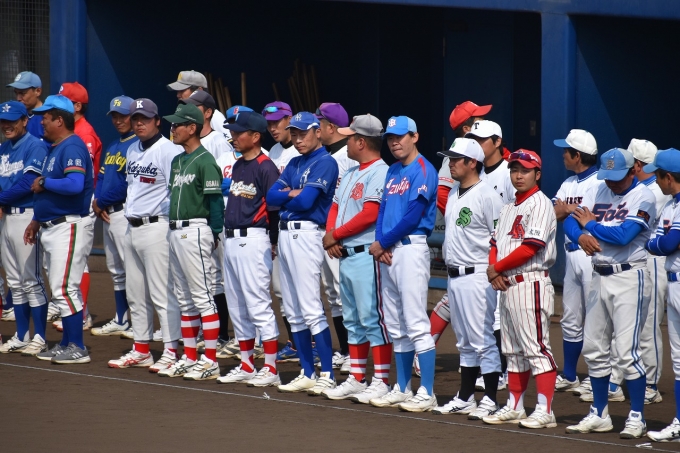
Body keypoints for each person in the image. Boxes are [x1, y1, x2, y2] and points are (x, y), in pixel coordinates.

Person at [564, 148, 655, 439]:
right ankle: (600, 413)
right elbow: (569, 219)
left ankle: (637, 417)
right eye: (609, 176)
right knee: (594, 349)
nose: (612, 182)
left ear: (632, 170)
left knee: (626, 352)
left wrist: (591, 225)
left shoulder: (644, 196)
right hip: (599, 275)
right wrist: (580, 235)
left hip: (629, 276)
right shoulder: (599, 189)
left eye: (618, 176)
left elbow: (624, 235)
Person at [481, 150, 558, 429]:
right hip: (508, 284)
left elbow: (531, 247)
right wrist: (496, 271)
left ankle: (545, 410)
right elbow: (494, 244)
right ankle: (515, 406)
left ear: (537, 174)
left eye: (524, 170)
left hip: (531, 281)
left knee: (536, 349)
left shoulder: (541, 203)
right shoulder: (508, 207)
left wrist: (497, 268)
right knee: (512, 351)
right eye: (514, 169)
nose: (518, 175)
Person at [367, 116, 438, 412]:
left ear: (415, 136)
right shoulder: (393, 170)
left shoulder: (424, 169)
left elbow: (412, 217)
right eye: (391, 138)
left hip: (411, 248)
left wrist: (383, 242)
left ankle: (428, 391)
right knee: (396, 324)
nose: (395, 142)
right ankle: (403, 387)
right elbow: (383, 210)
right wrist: (381, 242)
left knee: (416, 322)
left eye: (400, 136)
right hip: (390, 250)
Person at [320, 114, 392, 403]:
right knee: (352, 320)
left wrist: (335, 235)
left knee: (372, 318)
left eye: (350, 137)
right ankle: (357, 377)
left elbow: (370, 214)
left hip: (366, 254)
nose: (346, 140)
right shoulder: (350, 172)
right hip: (346, 253)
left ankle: (381, 380)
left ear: (361, 142)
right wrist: (332, 235)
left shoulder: (381, 171)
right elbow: (335, 207)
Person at [107, 98, 182, 373]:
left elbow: (176, 192)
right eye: (136, 119)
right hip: (131, 226)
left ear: (157, 121)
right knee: (135, 292)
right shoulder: (132, 150)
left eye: (145, 119)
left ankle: (171, 350)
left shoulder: (169, 151)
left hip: (157, 227)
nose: (139, 123)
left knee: (162, 293)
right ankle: (141, 349)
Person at [266, 111, 339, 395]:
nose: (297, 139)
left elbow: (307, 201)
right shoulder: (294, 162)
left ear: (318, 132)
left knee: (310, 307)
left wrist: (290, 194)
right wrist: (290, 194)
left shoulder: (326, 161)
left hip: (308, 233)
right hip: (286, 233)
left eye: (303, 133)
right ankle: (307, 372)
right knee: (293, 309)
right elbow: (270, 197)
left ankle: (328, 374)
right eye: (294, 134)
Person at [431, 137, 503, 419]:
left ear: (472, 162)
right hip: (455, 276)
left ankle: (491, 398)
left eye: (455, 159)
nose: (450, 164)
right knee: (464, 341)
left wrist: (496, 270)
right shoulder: (452, 193)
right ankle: (465, 397)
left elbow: (499, 237)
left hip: (477, 274)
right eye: (449, 158)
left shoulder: (487, 195)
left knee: (482, 338)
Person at [155, 103, 223, 380]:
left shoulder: (206, 161)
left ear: (192, 128)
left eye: (177, 125)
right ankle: (191, 356)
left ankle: (211, 360)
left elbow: (215, 203)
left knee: (203, 298)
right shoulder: (177, 161)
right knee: (184, 299)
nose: (172, 129)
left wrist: (214, 233)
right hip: (175, 231)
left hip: (196, 230)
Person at [25, 95, 94, 364]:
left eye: (46, 117)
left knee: (65, 288)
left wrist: (45, 182)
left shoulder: (72, 146)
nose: (41, 121)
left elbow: (74, 185)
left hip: (69, 225)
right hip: (54, 225)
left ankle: (77, 346)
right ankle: (66, 343)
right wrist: (36, 219)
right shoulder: (57, 147)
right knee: (60, 288)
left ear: (59, 121)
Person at [216, 111, 281, 386]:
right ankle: (246, 364)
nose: (233, 136)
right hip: (231, 239)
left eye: (238, 132)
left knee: (257, 303)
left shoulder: (266, 167)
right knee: (237, 304)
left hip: (254, 238)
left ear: (255, 136)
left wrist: (274, 241)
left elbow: (275, 209)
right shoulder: (239, 165)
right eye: (232, 131)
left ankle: (271, 368)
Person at [179, 89, 233, 356]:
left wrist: (215, 227)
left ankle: (221, 335)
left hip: (213, 219)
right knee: (202, 282)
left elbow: (225, 181)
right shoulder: (183, 149)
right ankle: (207, 332)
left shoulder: (219, 142)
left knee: (217, 280)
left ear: (208, 112)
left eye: (195, 106)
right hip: (193, 222)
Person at [465, 119, 514, 391]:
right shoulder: (477, 173)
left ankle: (504, 372)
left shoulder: (509, 173)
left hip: (504, 255)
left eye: (482, 140)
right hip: (480, 257)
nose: (477, 144)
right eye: (473, 139)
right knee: (484, 318)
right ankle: (492, 369)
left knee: (499, 317)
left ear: (497, 142)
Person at [551, 129, 600, 395]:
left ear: (577, 155)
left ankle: (596, 376)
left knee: (595, 319)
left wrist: (567, 210)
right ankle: (570, 375)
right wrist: (570, 209)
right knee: (570, 317)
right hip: (571, 255)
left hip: (591, 254)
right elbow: (553, 212)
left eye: (566, 151)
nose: (562, 155)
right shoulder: (568, 183)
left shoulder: (600, 183)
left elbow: (589, 218)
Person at [53, 82, 103, 332]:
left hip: (81, 204)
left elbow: (82, 177)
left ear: (77, 106)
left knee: (78, 262)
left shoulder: (84, 134)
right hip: (70, 204)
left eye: (65, 102)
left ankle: (81, 314)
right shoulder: (71, 133)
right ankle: (73, 309)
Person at [0, 101, 48, 355]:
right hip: (6, 218)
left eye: (12, 121)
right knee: (15, 281)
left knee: (31, 280)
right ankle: (21, 335)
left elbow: (29, 182)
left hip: (27, 216)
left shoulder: (35, 145)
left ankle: (39, 336)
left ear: (24, 121)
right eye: (3, 121)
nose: (6, 125)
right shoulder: (3, 148)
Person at [90, 96, 138, 336]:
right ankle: (121, 318)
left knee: (131, 271)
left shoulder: (137, 146)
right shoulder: (112, 145)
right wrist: (97, 202)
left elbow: (128, 185)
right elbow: (101, 177)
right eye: (115, 116)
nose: (118, 120)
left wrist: (101, 201)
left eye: (123, 116)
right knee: (116, 271)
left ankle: (138, 321)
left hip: (124, 212)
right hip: (108, 214)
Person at [629, 139, 670, 405]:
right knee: (636, 322)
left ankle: (651, 384)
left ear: (637, 164)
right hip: (642, 259)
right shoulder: (643, 188)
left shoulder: (655, 191)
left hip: (655, 260)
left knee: (648, 323)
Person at [315, 102, 356, 372]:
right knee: (332, 294)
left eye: (319, 123)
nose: (316, 129)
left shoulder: (349, 157)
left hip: (342, 236)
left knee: (345, 294)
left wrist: (340, 233)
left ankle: (355, 351)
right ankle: (344, 349)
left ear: (331, 127)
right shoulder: (327, 155)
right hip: (326, 232)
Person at [643, 148, 680, 442]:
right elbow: (656, 242)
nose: (655, 180)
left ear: (668, 177)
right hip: (673, 283)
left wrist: (660, 243)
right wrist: (660, 243)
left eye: (657, 175)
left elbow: (666, 244)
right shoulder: (669, 205)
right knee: (678, 361)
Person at [262, 101, 301, 363]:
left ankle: (311, 344)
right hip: (277, 224)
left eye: (277, 122)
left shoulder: (300, 150)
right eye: (269, 124)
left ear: (289, 119)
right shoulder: (273, 151)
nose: (273, 128)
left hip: (300, 225)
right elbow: (272, 195)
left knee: (302, 290)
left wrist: (283, 194)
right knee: (280, 289)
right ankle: (295, 343)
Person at [167, 70, 230, 140]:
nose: (178, 95)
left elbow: (228, 145)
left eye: (182, 90)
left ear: (199, 90)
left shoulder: (214, 116)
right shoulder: (178, 116)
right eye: (177, 91)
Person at [7, 71, 44, 139]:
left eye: (22, 93)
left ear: (38, 91)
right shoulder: (16, 117)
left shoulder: (48, 117)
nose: (18, 98)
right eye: (16, 93)